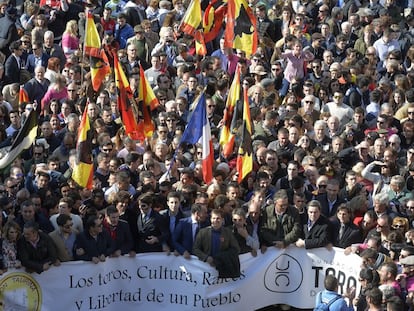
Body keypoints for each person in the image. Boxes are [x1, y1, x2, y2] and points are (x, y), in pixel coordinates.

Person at [193, 209, 241, 278]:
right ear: (210, 219)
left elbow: (236, 249)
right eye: (213, 218)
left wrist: (222, 257)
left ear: (222, 220)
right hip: (206, 267)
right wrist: (206, 258)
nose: (215, 220)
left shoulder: (228, 232)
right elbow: (195, 249)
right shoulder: (202, 232)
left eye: (218, 218)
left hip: (223, 268)